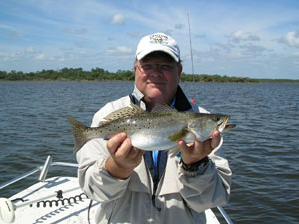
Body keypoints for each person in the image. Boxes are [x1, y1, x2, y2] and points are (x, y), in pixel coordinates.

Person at [76, 32, 232, 223]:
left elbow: (211, 201)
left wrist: (196, 166)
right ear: (135, 69)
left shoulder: (206, 129)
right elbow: (94, 192)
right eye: (147, 66)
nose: (156, 72)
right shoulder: (107, 113)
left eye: (165, 66)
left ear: (179, 71)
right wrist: (116, 168)